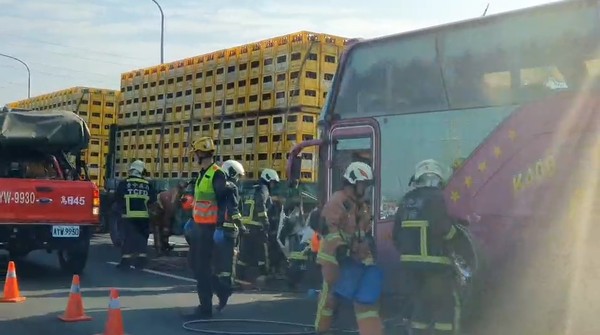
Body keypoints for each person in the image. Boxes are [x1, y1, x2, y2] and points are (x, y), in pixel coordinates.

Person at [314, 162, 383, 335]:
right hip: (333, 258)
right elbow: (329, 228)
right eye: (363, 184)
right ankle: (321, 330)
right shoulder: (338, 201)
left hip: (353, 258)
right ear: (353, 182)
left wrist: (368, 248)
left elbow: (363, 233)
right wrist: (340, 249)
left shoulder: (362, 206)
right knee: (329, 298)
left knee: (363, 299)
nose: (365, 188)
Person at [392, 159, 460, 335]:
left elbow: (396, 234)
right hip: (435, 266)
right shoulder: (437, 198)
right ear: (438, 179)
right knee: (445, 308)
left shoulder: (406, 200)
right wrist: (456, 238)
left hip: (410, 267)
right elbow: (444, 228)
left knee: (420, 308)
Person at [187, 136, 228, 319]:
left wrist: (219, 227)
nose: (194, 156)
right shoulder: (202, 174)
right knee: (196, 265)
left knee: (202, 268)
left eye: (196, 153)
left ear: (201, 153)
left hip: (210, 229)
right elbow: (202, 200)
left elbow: (222, 202)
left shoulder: (217, 174)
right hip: (198, 228)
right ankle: (221, 290)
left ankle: (205, 308)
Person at [213, 159, 247, 312]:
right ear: (232, 172)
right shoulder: (232, 188)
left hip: (215, 229)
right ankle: (224, 293)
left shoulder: (217, 185)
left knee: (216, 264)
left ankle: (218, 290)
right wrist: (242, 226)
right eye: (237, 176)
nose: (238, 179)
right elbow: (233, 210)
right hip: (229, 232)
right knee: (227, 266)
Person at [236, 168, 280, 283]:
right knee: (262, 252)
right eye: (273, 182)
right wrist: (265, 222)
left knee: (244, 254)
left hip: (246, 225)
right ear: (268, 179)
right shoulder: (263, 189)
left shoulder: (252, 189)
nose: (273, 185)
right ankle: (263, 275)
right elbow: (261, 205)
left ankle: (239, 276)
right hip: (257, 226)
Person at [115, 160, 157, 270]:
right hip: (143, 217)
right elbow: (153, 201)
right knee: (142, 239)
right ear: (142, 171)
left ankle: (126, 262)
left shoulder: (124, 183)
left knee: (128, 239)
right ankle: (141, 261)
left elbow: (117, 198)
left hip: (128, 217)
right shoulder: (148, 185)